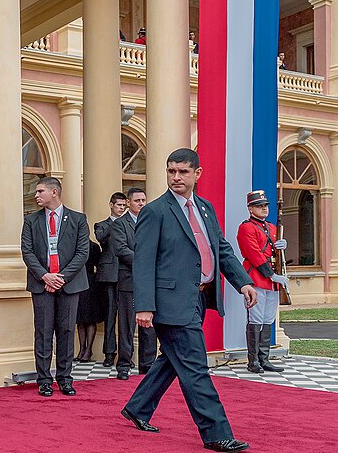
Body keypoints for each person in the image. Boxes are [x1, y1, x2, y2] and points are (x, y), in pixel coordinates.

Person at [122, 148, 258, 453]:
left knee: (173, 359)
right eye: (171, 171)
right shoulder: (155, 211)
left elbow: (221, 248)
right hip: (169, 302)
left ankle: (138, 407)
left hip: (198, 298)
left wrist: (243, 282)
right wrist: (144, 306)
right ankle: (216, 433)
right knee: (195, 367)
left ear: (197, 174)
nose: (176, 177)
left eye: (183, 171)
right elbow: (143, 262)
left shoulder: (205, 208)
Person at [20, 176, 90, 397]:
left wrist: (60, 278)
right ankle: (44, 380)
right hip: (41, 284)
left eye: (40, 191)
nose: (36, 195)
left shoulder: (78, 219)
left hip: (69, 284)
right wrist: (45, 276)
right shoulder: (31, 221)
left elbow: (82, 253)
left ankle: (65, 379)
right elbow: (27, 252)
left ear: (54, 192)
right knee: (43, 332)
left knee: (67, 331)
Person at [236, 190, 288, 374]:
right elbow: (254, 254)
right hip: (257, 278)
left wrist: (283, 247)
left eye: (265, 205)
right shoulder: (246, 228)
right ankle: (253, 361)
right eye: (259, 206)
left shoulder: (273, 228)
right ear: (250, 209)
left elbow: (276, 255)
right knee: (256, 319)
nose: (264, 208)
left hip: (272, 280)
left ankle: (264, 359)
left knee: (267, 319)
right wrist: (271, 275)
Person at [111, 187, 157, 379]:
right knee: (127, 325)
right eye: (137, 200)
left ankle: (148, 364)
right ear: (128, 202)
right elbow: (121, 249)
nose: (141, 204)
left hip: (150, 282)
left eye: (143, 200)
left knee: (149, 325)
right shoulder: (120, 224)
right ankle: (124, 365)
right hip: (129, 280)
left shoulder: (152, 222)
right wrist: (145, 262)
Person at [94, 192, 128, 367]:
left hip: (126, 274)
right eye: (119, 205)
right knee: (110, 316)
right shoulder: (102, 225)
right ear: (111, 205)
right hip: (108, 275)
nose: (122, 208)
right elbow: (101, 238)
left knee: (126, 317)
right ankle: (109, 354)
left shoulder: (130, 224)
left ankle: (125, 355)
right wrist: (117, 223)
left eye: (123, 205)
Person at [73, 238, 104, 362]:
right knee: (80, 319)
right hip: (76, 283)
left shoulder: (93, 246)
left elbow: (99, 264)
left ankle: (88, 349)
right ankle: (82, 349)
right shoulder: (73, 245)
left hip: (90, 284)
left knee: (90, 318)